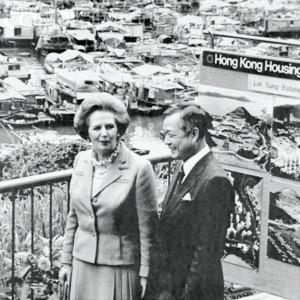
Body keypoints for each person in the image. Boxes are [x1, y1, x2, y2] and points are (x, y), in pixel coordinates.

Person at [59, 93, 158, 300]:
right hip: (82, 265)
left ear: (119, 129)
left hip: (119, 268)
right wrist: (66, 261)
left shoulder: (139, 168)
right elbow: (73, 217)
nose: (104, 134)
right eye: (97, 128)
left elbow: (148, 230)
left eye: (109, 127)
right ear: (87, 133)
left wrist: (147, 273)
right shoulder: (81, 161)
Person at [152, 102, 235, 300]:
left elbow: (206, 252)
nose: (166, 142)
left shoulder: (215, 180)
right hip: (173, 286)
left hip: (194, 292)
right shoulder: (184, 165)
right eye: (164, 135)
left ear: (194, 134)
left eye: (171, 135)